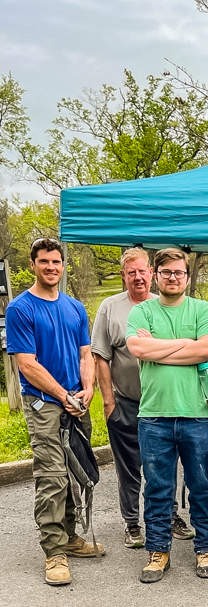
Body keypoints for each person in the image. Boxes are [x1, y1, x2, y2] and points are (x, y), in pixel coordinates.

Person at [7, 237, 104, 586]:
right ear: (33, 264)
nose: (51, 267)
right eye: (44, 261)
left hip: (76, 402)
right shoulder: (21, 309)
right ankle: (54, 552)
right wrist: (63, 394)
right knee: (52, 476)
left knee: (75, 471)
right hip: (45, 404)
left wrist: (88, 387)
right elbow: (27, 364)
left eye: (56, 262)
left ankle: (70, 537)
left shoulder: (75, 307)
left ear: (63, 266)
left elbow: (85, 354)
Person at [126, 248, 208, 583]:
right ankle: (158, 551)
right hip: (154, 414)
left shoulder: (203, 309)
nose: (172, 278)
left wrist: (160, 349)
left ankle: (206, 548)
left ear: (187, 276)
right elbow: (138, 349)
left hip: (197, 414)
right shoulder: (142, 311)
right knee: (157, 487)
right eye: (166, 272)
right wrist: (186, 346)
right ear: (155, 273)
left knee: (201, 485)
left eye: (178, 273)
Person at [92, 248, 194, 548]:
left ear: (152, 273)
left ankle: (170, 515)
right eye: (131, 272)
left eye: (142, 271)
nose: (138, 277)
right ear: (124, 275)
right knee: (128, 467)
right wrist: (109, 403)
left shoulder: (162, 305)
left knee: (163, 466)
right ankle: (132, 523)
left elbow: (177, 348)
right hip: (125, 401)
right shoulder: (110, 308)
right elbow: (100, 357)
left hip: (162, 402)